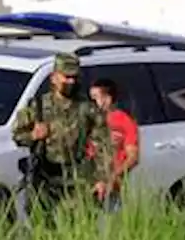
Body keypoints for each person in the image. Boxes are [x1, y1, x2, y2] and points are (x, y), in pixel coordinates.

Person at [11, 53, 112, 226]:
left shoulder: (86, 107)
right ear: (54, 78)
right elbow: (18, 136)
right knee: (42, 226)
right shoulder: (38, 106)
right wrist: (33, 135)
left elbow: (103, 144)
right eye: (67, 77)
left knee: (80, 226)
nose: (71, 82)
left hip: (77, 177)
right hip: (45, 177)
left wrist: (102, 178)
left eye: (74, 77)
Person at [88, 78, 140, 214]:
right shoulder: (88, 120)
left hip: (112, 187)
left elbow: (133, 157)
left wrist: (113, 176)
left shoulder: (123, 121)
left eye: (95, 98)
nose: (91, 103)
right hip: (88, 183)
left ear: (107, 99)